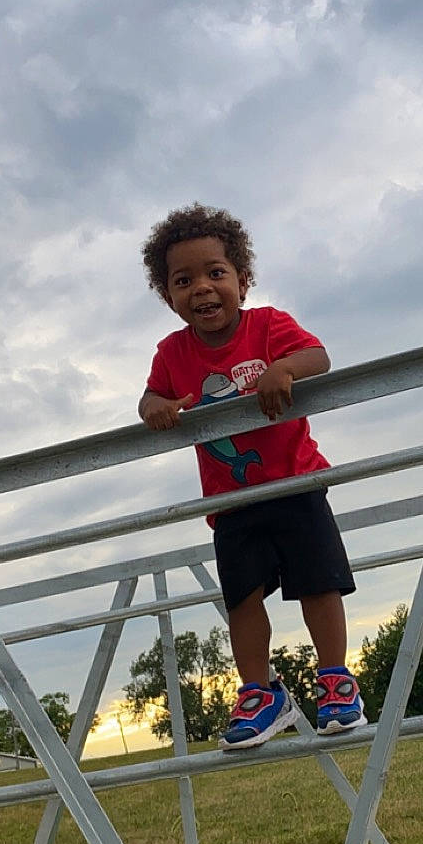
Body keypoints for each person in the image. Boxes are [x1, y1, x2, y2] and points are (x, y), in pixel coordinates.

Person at [138, 203, 366, 751]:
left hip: (294, 482)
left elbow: (319, 356)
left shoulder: (268, 326)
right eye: (183, 280)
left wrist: (282, 369)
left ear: (242, 279)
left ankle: (335, 679)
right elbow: (150, 398)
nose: (202, 288)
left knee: (319, 583)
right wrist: (156, 407)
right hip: (232, 501)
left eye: (216, 273)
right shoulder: (172, 353)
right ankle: (260, 694)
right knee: (241, 600)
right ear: (168, 297)